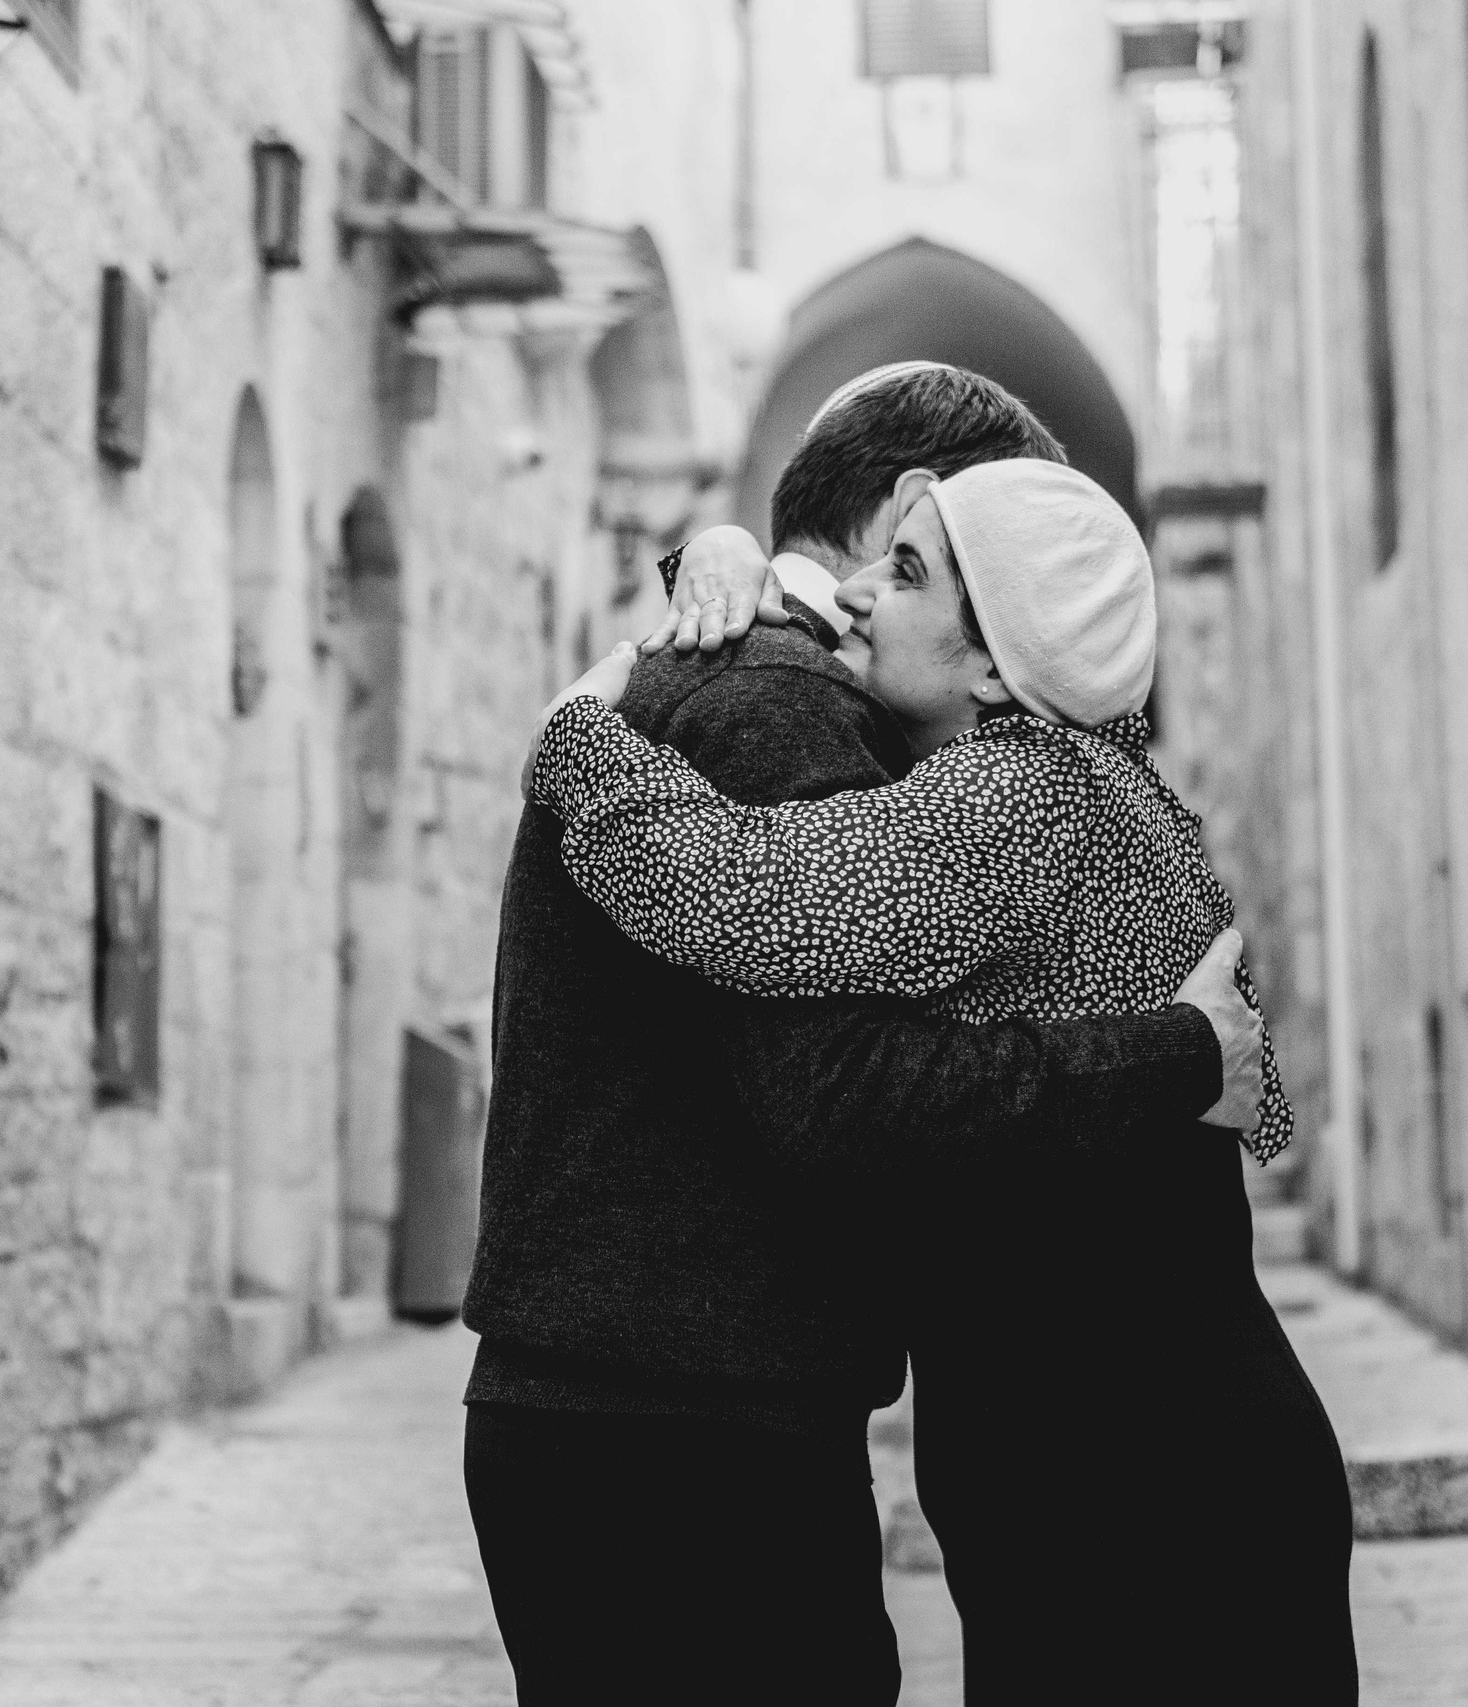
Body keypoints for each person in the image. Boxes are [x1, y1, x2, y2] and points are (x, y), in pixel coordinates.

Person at [461, 367, 1270, 1706]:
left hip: (651, 1411)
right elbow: (841, 1082)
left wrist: (589, 719)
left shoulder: (800, 706)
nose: (874, 602)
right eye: (899, 560)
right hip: (688, 1436)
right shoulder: (786, 704)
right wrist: (1183, 1059)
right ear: (913, 503)